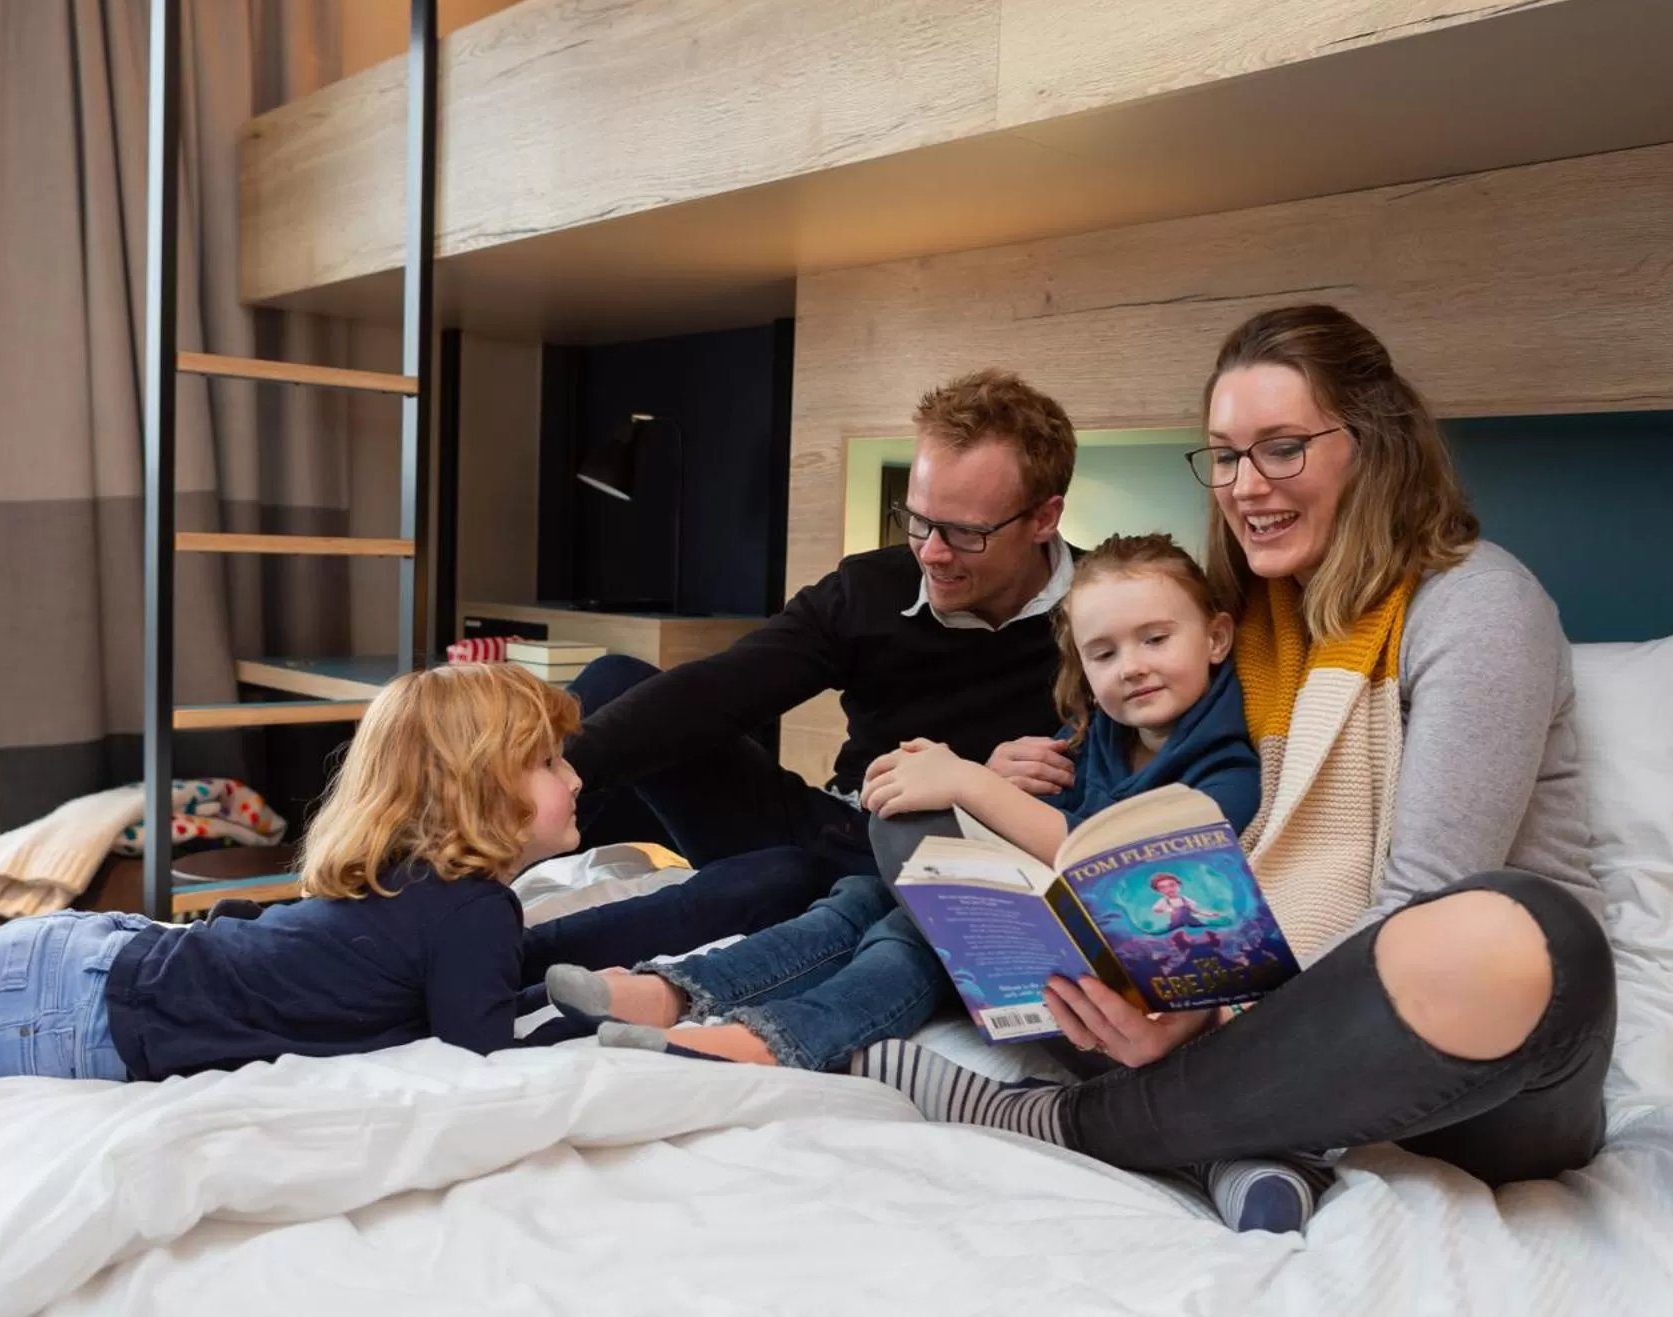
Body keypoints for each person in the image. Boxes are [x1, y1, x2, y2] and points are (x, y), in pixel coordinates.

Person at [853, 304, 1616, 1203]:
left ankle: (1067, 1118)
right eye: (1224, 454)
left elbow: (1421, 905)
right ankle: (1228, 1134)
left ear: (1373, 445)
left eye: (1282, 446)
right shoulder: (1242, 621)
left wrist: (1216, 1012)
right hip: (1223, 1005)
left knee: (1518, 928)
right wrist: (1015, 782)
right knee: (923, 814)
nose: (1246, 483)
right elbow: (1144, 788)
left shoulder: (1478, 605)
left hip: (1475, 1053)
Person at [546, 534, 1327, 1232]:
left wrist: (968, 782)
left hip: (1136, 1003)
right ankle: (684, 989)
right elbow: (1024, 827)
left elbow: (1093, 856)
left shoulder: (1228, 763)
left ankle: (768, 1037)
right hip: (1038, 962)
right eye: (1105, 654)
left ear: (1217, 635)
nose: (1134, 667)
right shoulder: (1098, 734)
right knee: (875, 897)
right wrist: (984, 792)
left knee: (907, 926)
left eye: (1156, 638)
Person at [521, 370, 1086, 990]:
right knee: (612, 682)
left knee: (776, 880)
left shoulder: (1114, 619)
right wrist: (524, 795)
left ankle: (509, 956)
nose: (930, 552)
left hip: (939, 860)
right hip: (836, 818)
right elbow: (724, 689)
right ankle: (485, 879)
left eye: (965, 533)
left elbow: (1132, 793)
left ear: (1044, 518)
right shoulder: (869, 588)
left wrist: (984, 788)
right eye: (919, 520)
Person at [0, 663, 582, 1083]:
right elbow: (481, 1059)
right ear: (478, 786)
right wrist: (592, 1029)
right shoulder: (475, 910)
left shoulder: (399, 875)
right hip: (86, 1001)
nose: (576, 778)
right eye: (549, 762)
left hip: (88, 959)